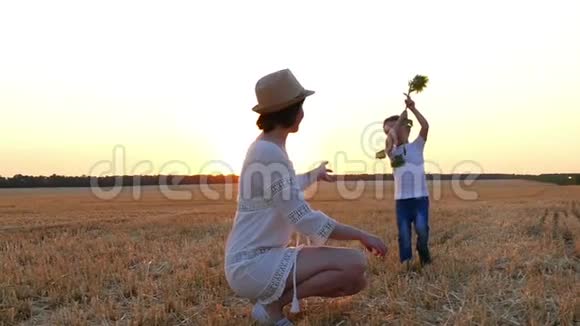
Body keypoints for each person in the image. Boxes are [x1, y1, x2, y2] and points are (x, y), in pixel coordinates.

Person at [224, 69, 387, 325]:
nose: (303, 113)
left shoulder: (267, 147)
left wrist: (314, 174)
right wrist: (361, 234)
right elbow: (303, 218)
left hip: (262, 259)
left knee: (356, 279)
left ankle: (271, 305)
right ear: (292, 111)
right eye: (301, 106)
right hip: (252, 264)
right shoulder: (268, 153)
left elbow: (283, 189)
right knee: (354, 262)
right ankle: (273, 307)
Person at [382, 95, 432, 267]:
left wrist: (412, 109)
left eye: (396, 129)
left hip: (420, 198)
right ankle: (406, 263)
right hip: (402, 201)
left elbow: (425, 126)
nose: (392, 133)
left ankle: (423, 252)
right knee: (404, 234)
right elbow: (389, 141)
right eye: (388, 131)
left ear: (407, 129)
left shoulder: (417, 146)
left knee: (422, 230)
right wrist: (400, 120)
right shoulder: (392, 153)